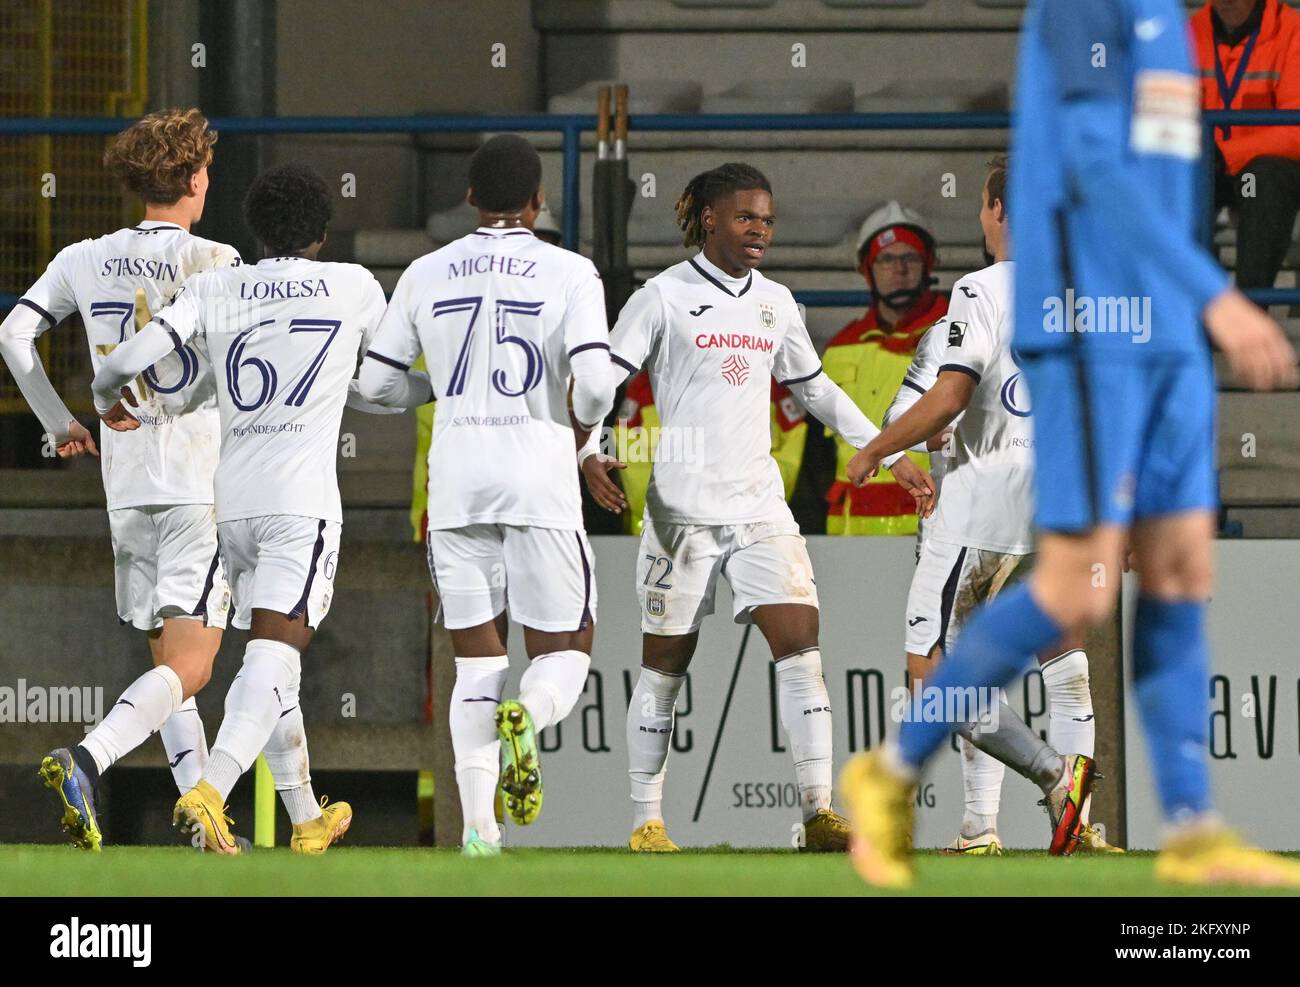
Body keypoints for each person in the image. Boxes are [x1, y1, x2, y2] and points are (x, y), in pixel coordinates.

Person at [840, 0, 1300, 889]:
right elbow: (1094, 164)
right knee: (1066, 580)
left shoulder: (1173, 20)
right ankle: (893, 767)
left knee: (1175, 570)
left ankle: (1194, 823)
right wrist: (1216, 292)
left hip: (1157, 313)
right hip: (1089, 308)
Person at [579, 162, 935, 853]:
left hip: (759, 509)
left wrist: (891, 451)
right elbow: (601, 380)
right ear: (709, 218)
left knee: (801, 644)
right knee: (664, 666)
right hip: (681, 515)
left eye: (767, 220)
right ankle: (646, 820)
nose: (759, 231)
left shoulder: (775, 302)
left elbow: (820, 393)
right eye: (745, 217)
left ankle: (818, 809)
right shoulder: (661, 297)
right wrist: (589, 448)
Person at [93, 163, 417, 853]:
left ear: (255, 228)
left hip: (231, 506)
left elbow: (130, 362)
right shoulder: (353, 286)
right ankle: (210, 788)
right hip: (301, 506)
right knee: (272, 655)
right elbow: (386, 385)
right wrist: (431, 388)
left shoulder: (217, 285)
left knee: (277, 666)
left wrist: (108, 388)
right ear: (323, 232)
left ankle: (305, 817)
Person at [360, 135, 616, 856]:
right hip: (538, 479)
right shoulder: (571, 271)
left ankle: (478, 830)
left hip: (458, 482)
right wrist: (584, 428)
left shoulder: (423, 271)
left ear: (468, 197)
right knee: (566, 646)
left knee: (475, 662)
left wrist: (438, 387)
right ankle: (529, 715)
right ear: (539, 201)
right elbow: (596, 385)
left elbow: (375, 386)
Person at [0, 109, 237, 851]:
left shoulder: (84, 256)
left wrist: (60, 422)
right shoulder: (220, 262)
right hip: (198, 480)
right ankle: (88, 756)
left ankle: (207, 829)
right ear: (196, 179)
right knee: (194, 665)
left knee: (168, 663)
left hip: (126, 486)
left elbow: (13, 333)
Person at [877, 155, 1120, 855]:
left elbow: (930, 399)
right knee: (1065, 661)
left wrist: (884, 455)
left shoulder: (975, 297)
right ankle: (1057, 827)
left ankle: (1005, 810)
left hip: (978, 516)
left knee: (940, 676)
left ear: (996, 211)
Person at [798, 202, 947, 536]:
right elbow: (817, 456)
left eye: (909, 257)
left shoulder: (958, 334)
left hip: (937, 526)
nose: (899, 269)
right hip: (850, 538)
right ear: (867, 268)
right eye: (886, 259)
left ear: (927, 264)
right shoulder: (839, 348)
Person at [613, 373, 806, 535]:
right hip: (660, 532)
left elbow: (790, 449)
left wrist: (756, 500)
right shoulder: (646, 386)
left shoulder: (765, 380)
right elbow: (631, 460)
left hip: (750, 527)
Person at [1193, 0, 1300, 291]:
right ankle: (1197, 303)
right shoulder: (1188, 34)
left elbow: (1296, 130)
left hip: (1257, 172)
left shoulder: (1292, 31)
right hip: (1208, 166)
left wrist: (1227, 154)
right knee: (1179, 178)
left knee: (1263, 180)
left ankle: (1249, 306)